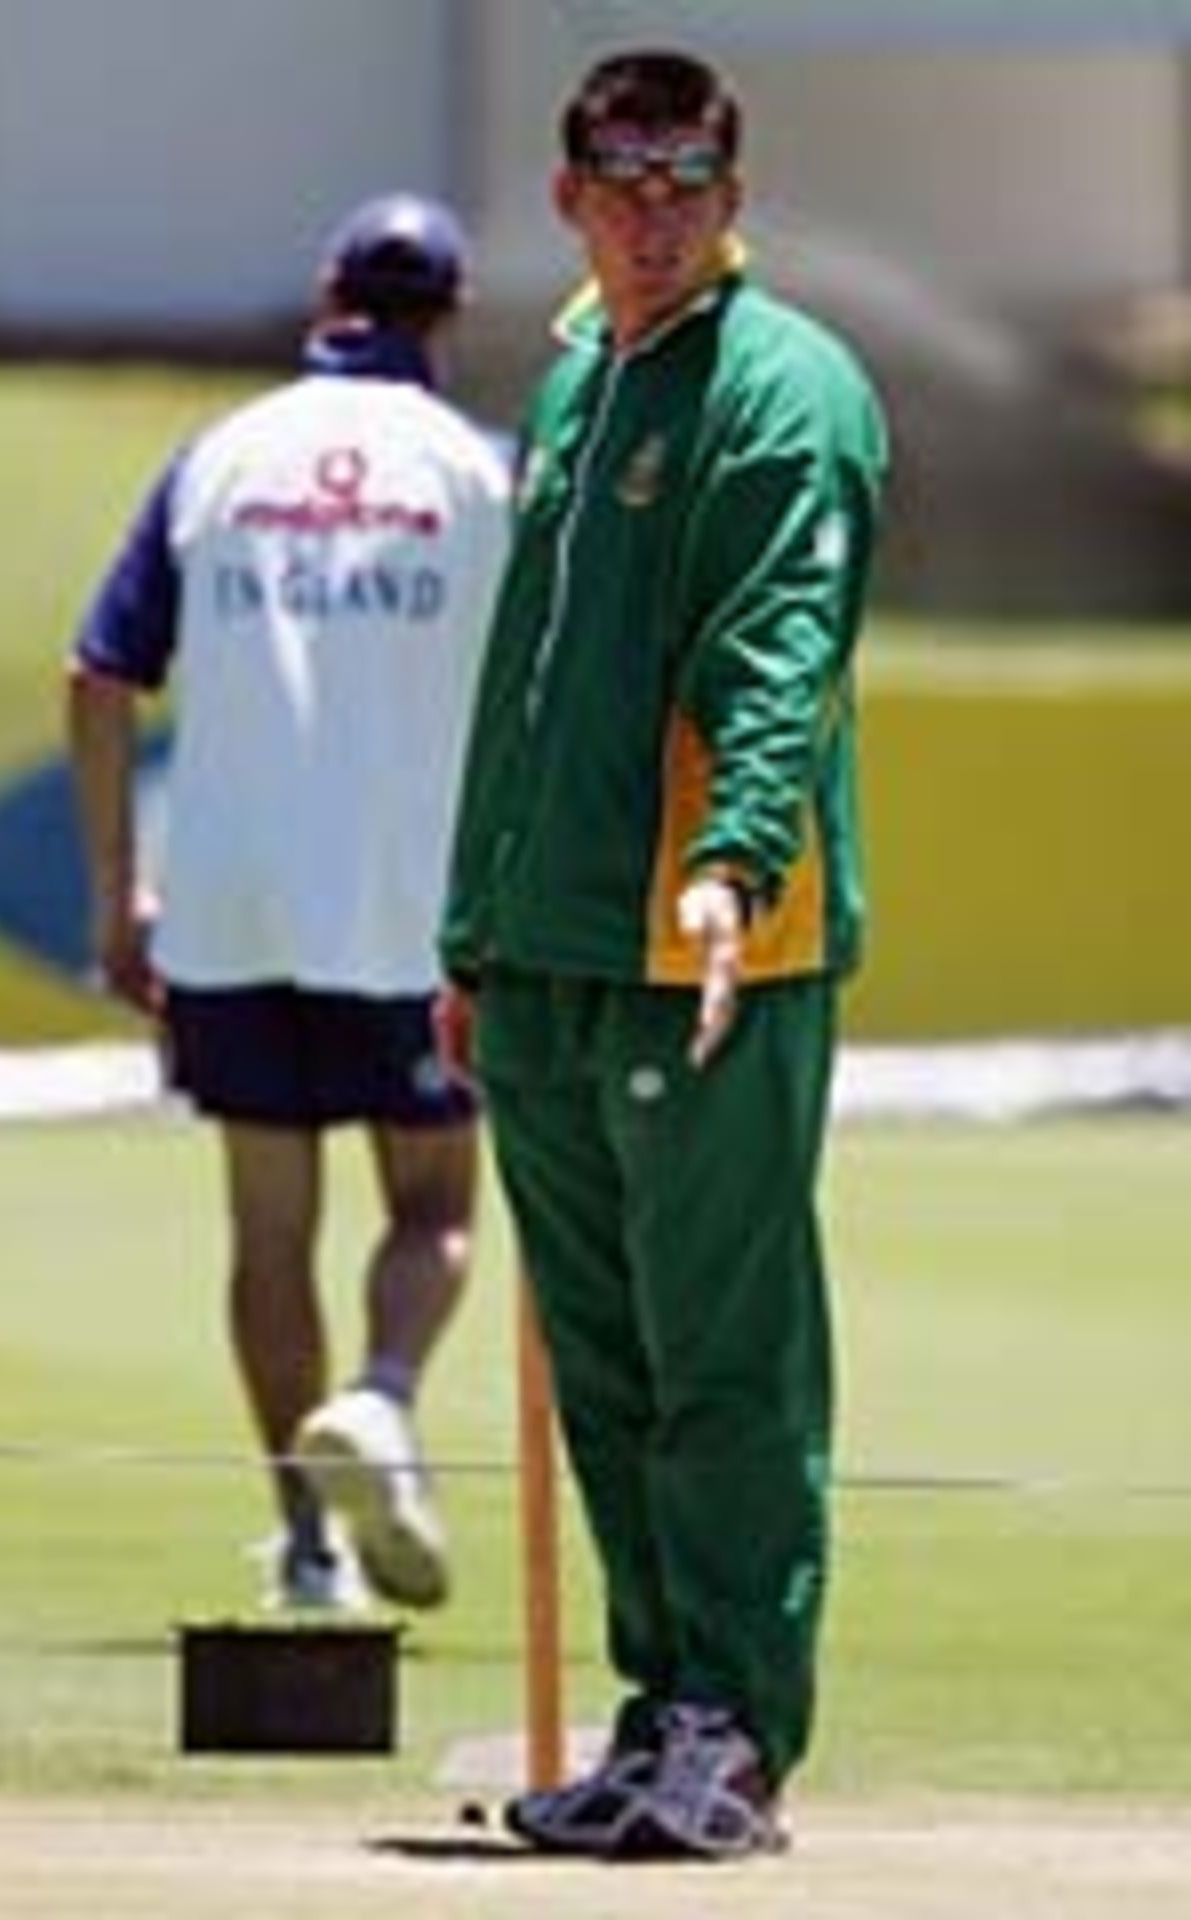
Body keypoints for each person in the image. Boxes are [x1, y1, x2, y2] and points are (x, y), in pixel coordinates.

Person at [435, 50, 888, 1860]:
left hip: (710, 950)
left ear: (734, 186)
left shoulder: (785, 390)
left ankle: (737, 1735)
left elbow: (780, 650)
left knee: (724, 1362)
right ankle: (659, 1710)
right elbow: (523, 694)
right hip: (547, 953)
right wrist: (474, 929)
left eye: (689, 178)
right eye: (624, 180)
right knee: (611, 1374)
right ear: (568, 195)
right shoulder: (570, 375)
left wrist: (728, 864)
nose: (655, 211)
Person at [67, 194, 510, 1613]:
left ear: (329, 296)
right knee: (434, 1202)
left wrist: (115, 895)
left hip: (231, 898)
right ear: (446, 314)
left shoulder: (222, 456)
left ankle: (311, 1547)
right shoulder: (485, 470)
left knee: (268, 1231)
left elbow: (98, 674)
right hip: (407, 902)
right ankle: (381, 1396)